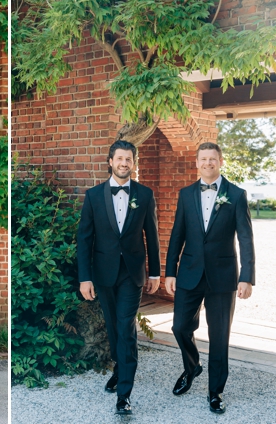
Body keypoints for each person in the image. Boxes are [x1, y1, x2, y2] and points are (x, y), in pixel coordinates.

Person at [165, 142, 255, 415]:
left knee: (219, 337)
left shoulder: (237, 195)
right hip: (189, 274)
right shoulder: (186, 194)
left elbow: (246, 238)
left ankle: (215, 391)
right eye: (203, 159)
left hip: (224, 276)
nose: (207, 163)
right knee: (180, 327)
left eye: (212, 159)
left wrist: (247, 276)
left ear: (220, 161)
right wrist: (170, 271)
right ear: (197, 163)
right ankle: (192, 367)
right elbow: (177, 235)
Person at [76, 143, 160, 415]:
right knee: (112, 327)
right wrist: (84, 278)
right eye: (120, 158)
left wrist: (155, 272)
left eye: (129, 159)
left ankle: (124, 394)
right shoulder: (94, 195)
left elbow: (153, 236)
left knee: (125, 328)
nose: (125, 163)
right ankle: (119, 367)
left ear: (134, 163)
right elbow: (85, 238)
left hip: (132, 274)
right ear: (110, 161)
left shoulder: (145, 195)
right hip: (103, 273)